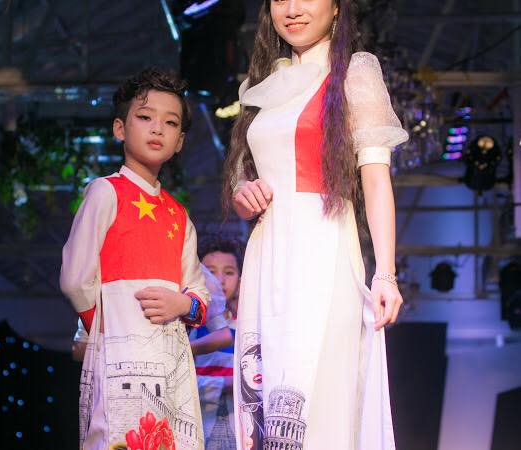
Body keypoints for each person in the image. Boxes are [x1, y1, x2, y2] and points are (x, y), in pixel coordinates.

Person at [223, 1, 409, 449]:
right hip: (267, 253)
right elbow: (246, 176)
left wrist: (385, 273)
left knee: (319, 395)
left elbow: (375, 178)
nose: (292, 9)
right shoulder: (263, 85)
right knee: (263, 395)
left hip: (323, 248)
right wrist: (244, 192)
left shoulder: (353, 73)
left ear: (337, 7)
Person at [60, 68, 209, 450]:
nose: (157, 128)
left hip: (170, 359)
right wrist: (108, 334)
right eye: (145, 117)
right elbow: (75, 278)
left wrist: (183, 304)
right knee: (119, 436)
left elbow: (198, 291)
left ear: (180, 141)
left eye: (170, 122)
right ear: (120, 128)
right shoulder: (105, 192)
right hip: (120, 358)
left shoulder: (179, 216)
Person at [190, 238, 244, 449]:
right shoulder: (191, 325)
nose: (219, 280)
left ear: (240, 279)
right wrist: (226, 384)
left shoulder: (248, 326)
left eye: (229, 272)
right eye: (210, 271)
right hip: (198, 424)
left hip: (238, 427)